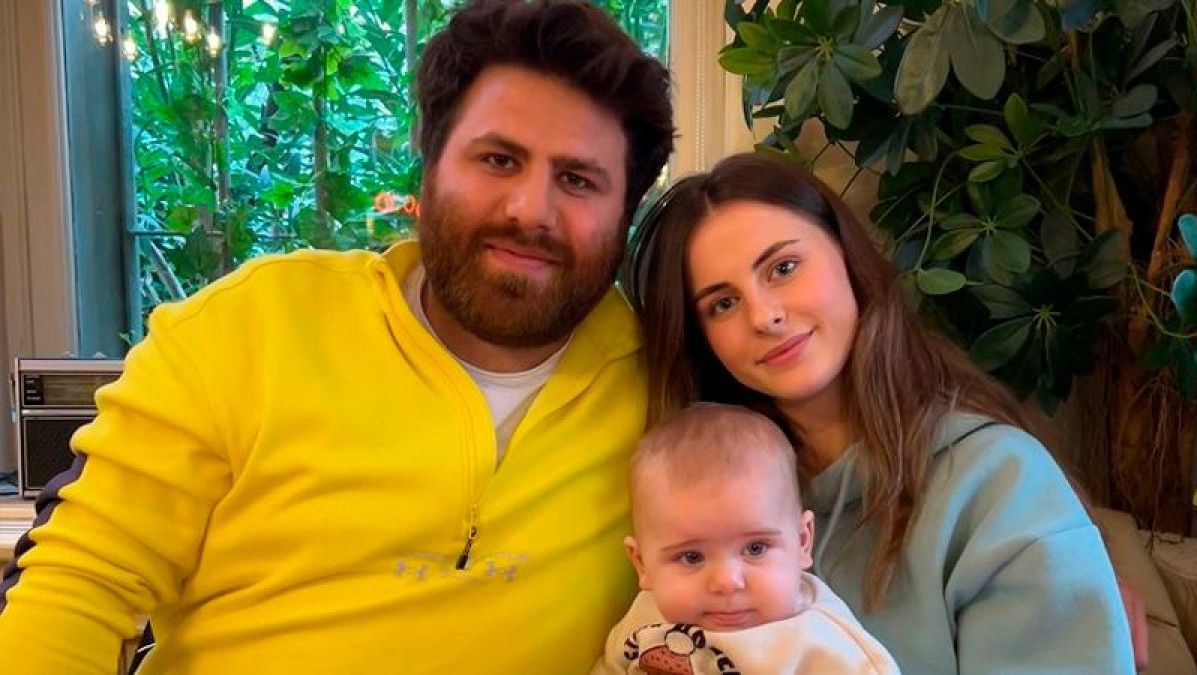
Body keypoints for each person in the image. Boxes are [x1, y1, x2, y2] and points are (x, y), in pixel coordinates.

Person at [0, 1, 673, 672]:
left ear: (626, 212)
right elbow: (79, 584)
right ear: (429, 166)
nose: (530, 210)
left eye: (577, 179)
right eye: (499, 159)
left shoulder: (667, 381)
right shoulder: (251, 326)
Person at [621, 152, 1136, 674]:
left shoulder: (998, 483)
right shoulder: (689, 497)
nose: (764, 315)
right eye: (723, 304)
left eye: (783, 268)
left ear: (847, 257)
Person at [593, 403, 901, 675]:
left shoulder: (822, 647)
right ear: (642, 564)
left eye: (755, 548)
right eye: (691, 557)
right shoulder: (645, 617)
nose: (727, 582)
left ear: (802, 541)